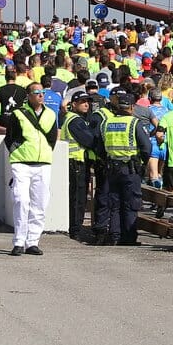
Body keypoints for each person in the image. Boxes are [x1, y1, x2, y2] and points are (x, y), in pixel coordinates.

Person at [1, 82, 58, 255]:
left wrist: (45, 152)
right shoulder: (18, 114)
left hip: (43, 163)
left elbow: (52, 138)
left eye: (42, 92)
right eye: (37, 92)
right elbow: (10, 137)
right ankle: (19, 241)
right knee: (21, 201)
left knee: (40, 203)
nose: (41, 95)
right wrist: (17, 152)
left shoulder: (50, 114)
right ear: (29, 96)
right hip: (22, 162)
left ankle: (32, 241)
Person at [96, 87, 154, 246]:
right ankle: (128, 237)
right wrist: (142, 163)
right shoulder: (134, 123)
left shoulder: (106, 123)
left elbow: (100, 148)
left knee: (114, 203)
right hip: (130, 169)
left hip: (112, 168)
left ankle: (115, 236)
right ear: (132, 107)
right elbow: (146, 147)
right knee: (131, 203)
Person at [60, 88, 101, 241]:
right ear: (74, 104)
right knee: (78, 198)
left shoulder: (71, 118)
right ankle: (76, 230)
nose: (86, 105)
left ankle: (75, 227)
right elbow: (89, 141)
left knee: (76, 197)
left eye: (87, 102)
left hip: (74, 162)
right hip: (76, 163)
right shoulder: (76, 121)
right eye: (82, 102)